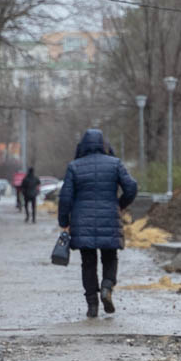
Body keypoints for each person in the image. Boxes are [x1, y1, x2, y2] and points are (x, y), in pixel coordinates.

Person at [58, 129, 138, 318]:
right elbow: (132, 186)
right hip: (110, 216)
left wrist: (64, 221)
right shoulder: (115, 164)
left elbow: (65, 197)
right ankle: (107, 287)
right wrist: (120, 204)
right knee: (110, 257)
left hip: (81, 220)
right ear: (105, 145)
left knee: (88, 262)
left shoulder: (74, 166)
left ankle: (92, 305)